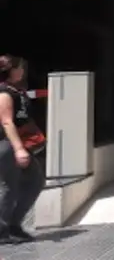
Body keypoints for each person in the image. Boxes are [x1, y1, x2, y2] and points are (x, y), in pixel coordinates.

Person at [0, 55, 44, 243]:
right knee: (9, 187)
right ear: (10, 71)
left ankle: (13, 225)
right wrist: (18, 149)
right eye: (19, 68)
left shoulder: (16, 90)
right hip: (8, 144)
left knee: (35, 181)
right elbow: (7, 122)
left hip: (18, 143)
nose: (22, 71)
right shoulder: (4, 93)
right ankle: (2, 230)